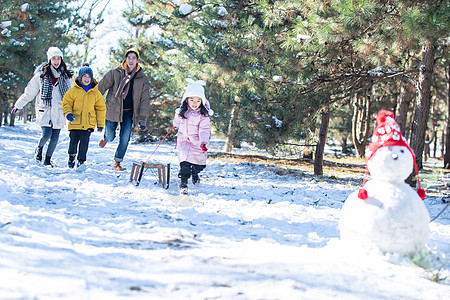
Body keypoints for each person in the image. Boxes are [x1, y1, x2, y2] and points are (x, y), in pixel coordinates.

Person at [11, 47, 73, 167]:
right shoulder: (41, 76)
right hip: (45, 110)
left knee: (55, 138)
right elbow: (29, 93)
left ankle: (47, 160)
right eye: (53, 58)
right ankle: (39, 148)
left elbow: (72, 96)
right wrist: (18, 105)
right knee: (46, 134)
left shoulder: (67, 77)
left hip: (59, 111)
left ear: (61, 59)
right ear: (49, 60)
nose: (56, 61)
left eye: (58, 58)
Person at [97, 48, 151, 171]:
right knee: (111, 136)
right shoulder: (115, 73)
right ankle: (106, 137)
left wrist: (142, 118)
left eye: (134, 58)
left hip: (129, 112)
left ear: (137, 60)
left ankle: (117, 162)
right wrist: (95, 105)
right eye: (129, 57)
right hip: (113, 108)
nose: (131, 60)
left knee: (125, 138)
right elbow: (101, 87)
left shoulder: (142, 78)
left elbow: (145, 99)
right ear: (125, 59)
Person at [62, 63, 106, 171]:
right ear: (80, 77)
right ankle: (71, 157)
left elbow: (100, 108)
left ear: (92, 78)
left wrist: (100, 124)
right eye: (84, 77)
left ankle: (81, 162)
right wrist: (68, 114)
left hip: (88, 124)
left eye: (89, 77)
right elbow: (66, 103)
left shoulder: (96, 93)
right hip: (75, 122)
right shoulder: (72, 92)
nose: (86, 79)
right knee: (73, 143)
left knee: (84, 144)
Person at [173, 79, 214, 195]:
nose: (194, 103)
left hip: (197, 143)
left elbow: (204, 130)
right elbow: (176, 122)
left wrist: (204, 142)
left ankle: (195, 173)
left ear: (202, 101)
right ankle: (183, 183)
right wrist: (175, 121)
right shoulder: (183, 112)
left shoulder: (203, 116)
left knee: (199, 165)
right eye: (192, 100)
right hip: (184, 141)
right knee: (184, 163)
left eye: (198, 100)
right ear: (186, 99)